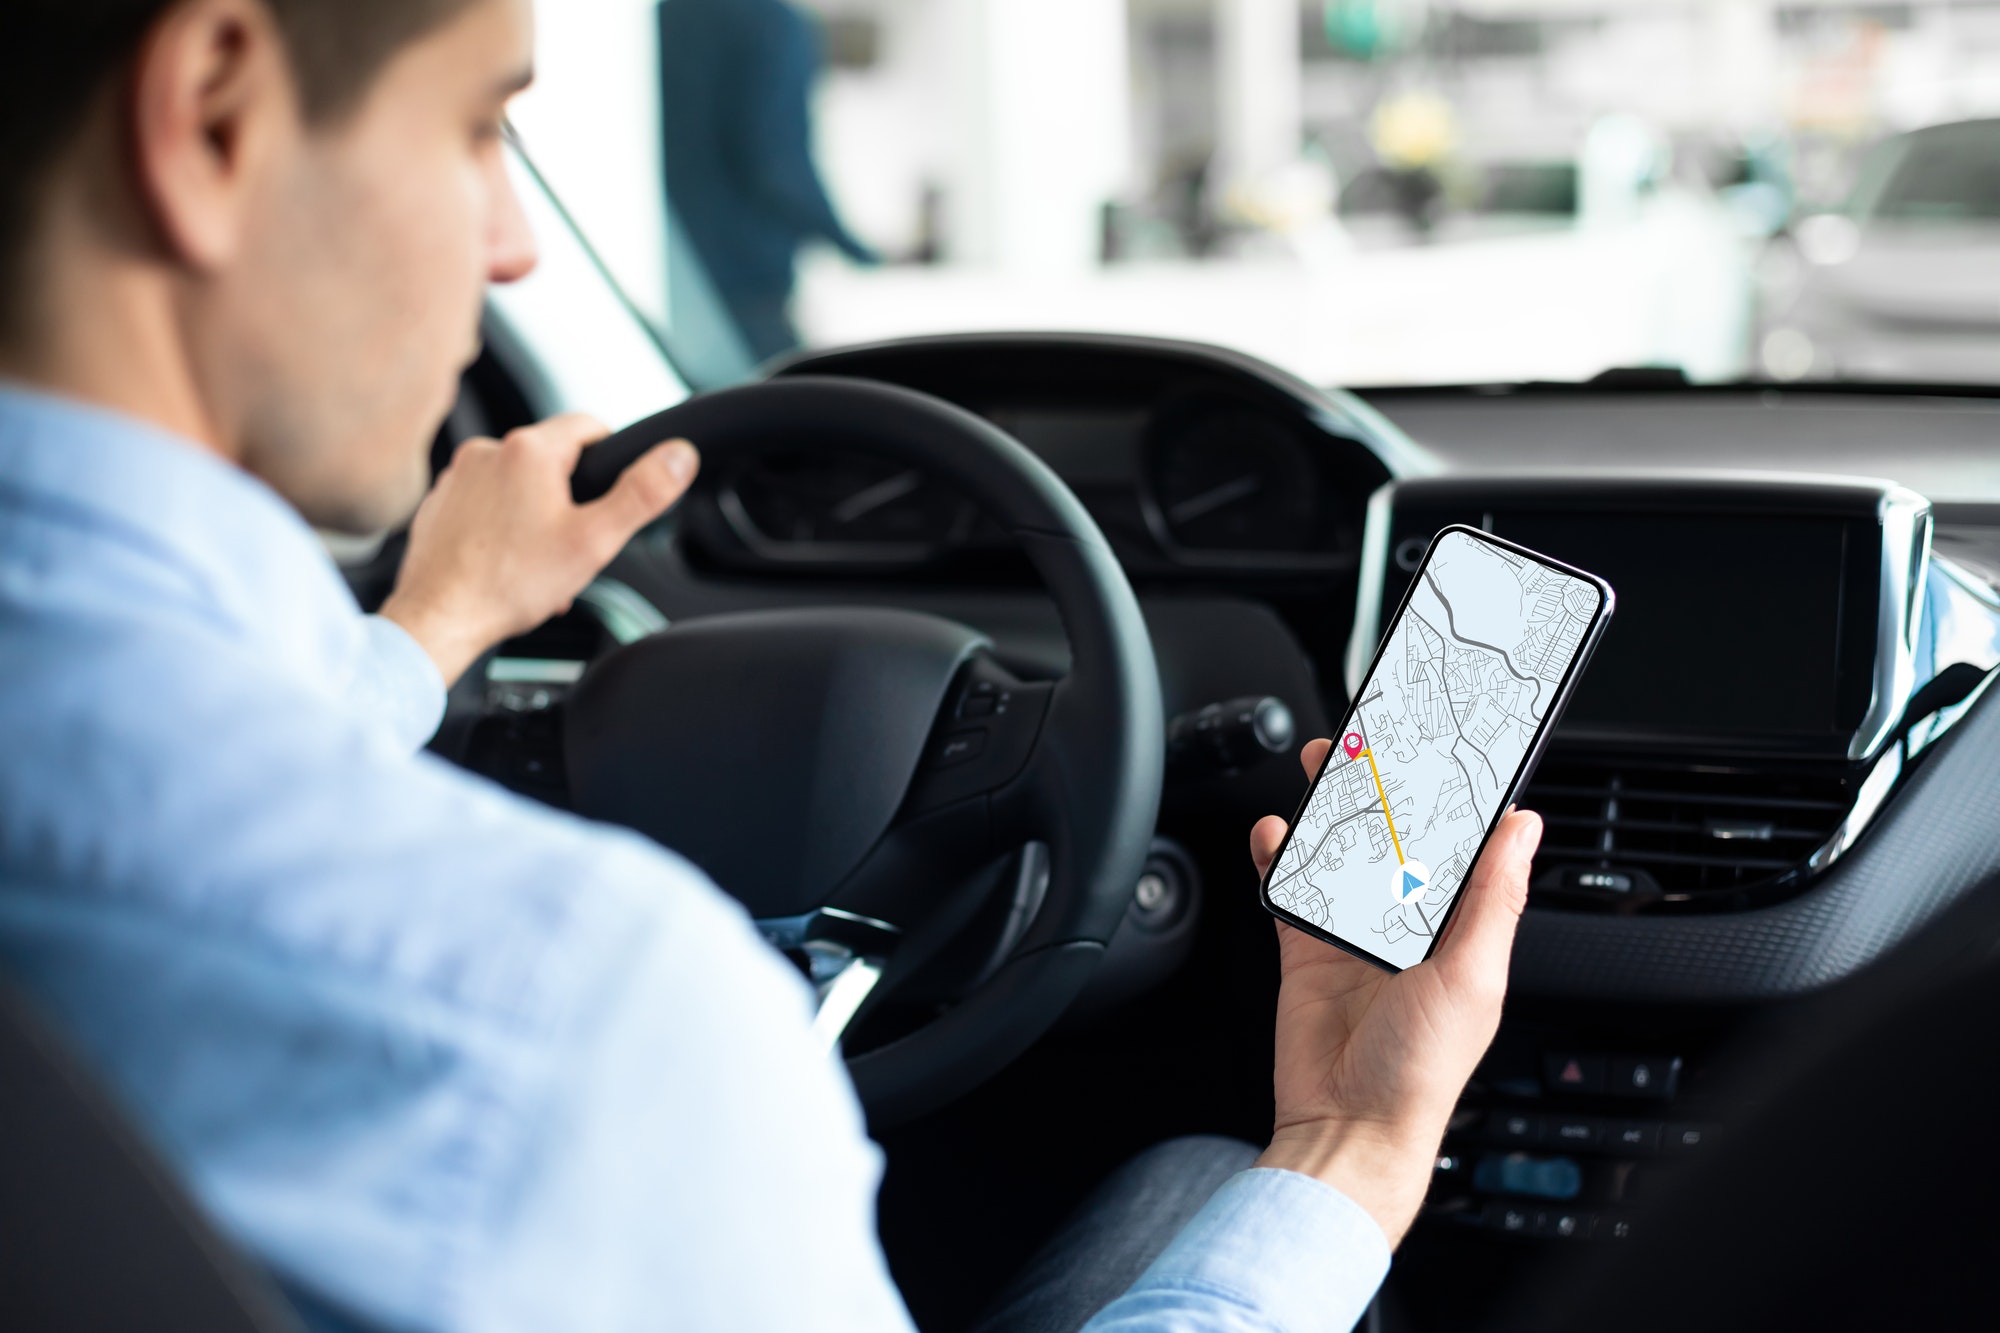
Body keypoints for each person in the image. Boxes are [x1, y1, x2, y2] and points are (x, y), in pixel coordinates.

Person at [0, 2, 1543, 1330]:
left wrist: (430, 632)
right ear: (211, 114)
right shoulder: (564, 1017)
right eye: (479, 130)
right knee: (1218, 1186)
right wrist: (1353, 1147)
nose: (517, 243)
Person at [657, 0, 878, 362]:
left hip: (677, 275)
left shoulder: (668, 12)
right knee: (783, 410)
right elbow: (779, 166)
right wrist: (862, 253)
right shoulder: (772, 21)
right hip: (748, 282)